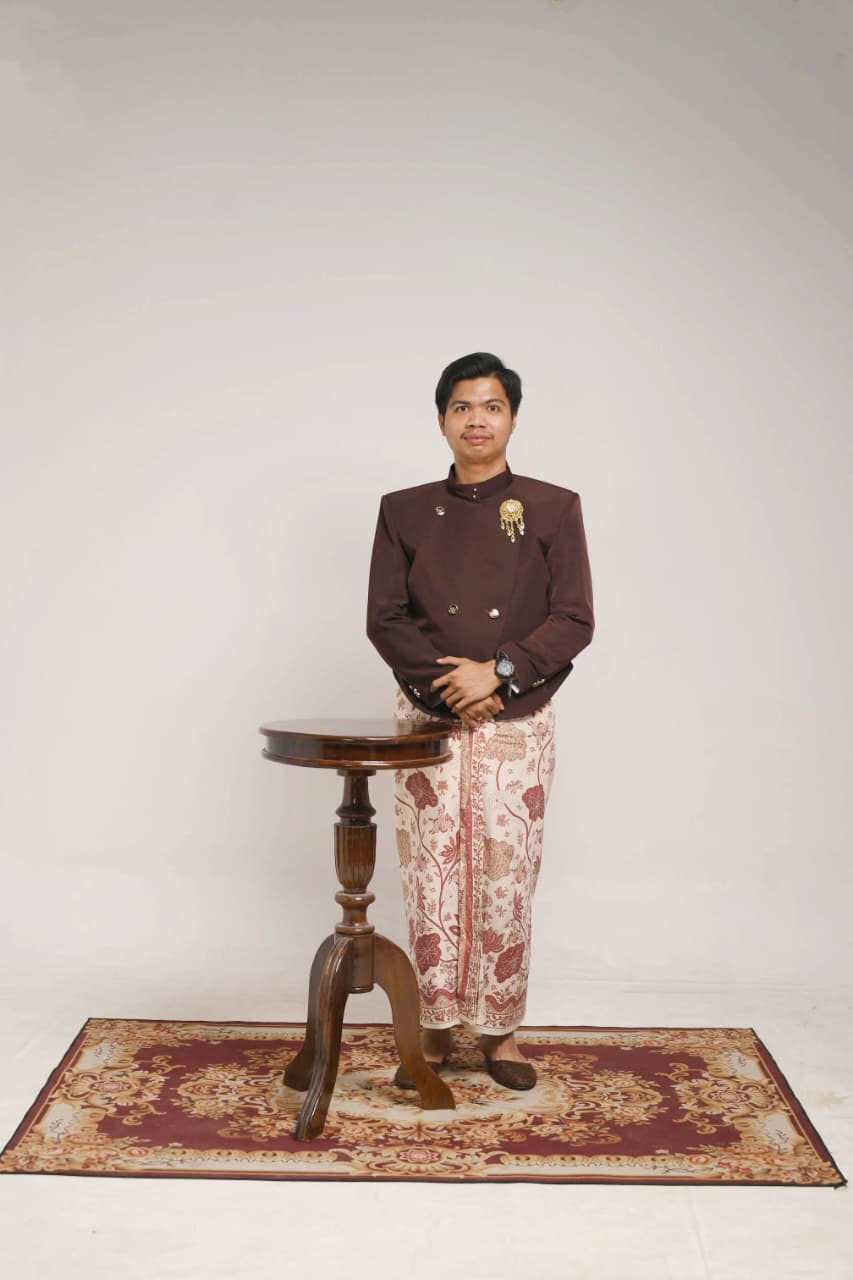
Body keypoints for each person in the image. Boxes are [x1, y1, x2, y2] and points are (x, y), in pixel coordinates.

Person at [366, 352, 594, 1090]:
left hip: (516, 714)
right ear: (441, 420)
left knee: (507, 873)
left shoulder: (552, 506)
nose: (476, 420)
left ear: (512, 419)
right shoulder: (403, 510)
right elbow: (385, 618)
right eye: (462, 406)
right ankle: (432, 1027)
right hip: (428, 716)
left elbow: (573, 618)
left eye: (491, 406)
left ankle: (501, 1032)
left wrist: (496, 672)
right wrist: (452, 686)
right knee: (430, 872)